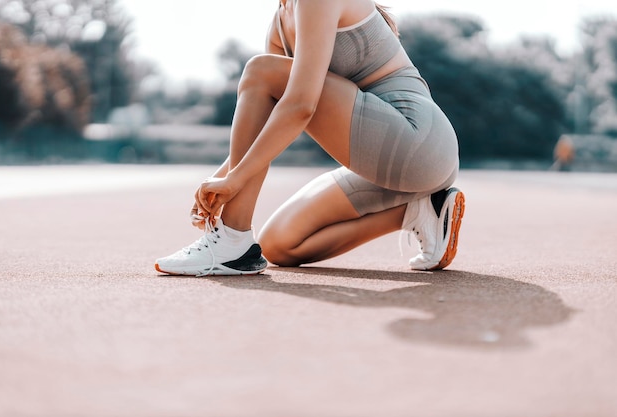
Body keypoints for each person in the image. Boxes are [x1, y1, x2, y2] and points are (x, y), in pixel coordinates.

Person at [155, 0, 465, 276]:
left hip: (418, 140)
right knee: (280, 245)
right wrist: (221, 179)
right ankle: (422, 210)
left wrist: (234, 182)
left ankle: (232, 240)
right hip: (389, 160)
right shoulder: (281, 18)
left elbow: (300, 107)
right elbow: (267, 124)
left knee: (259, 71)